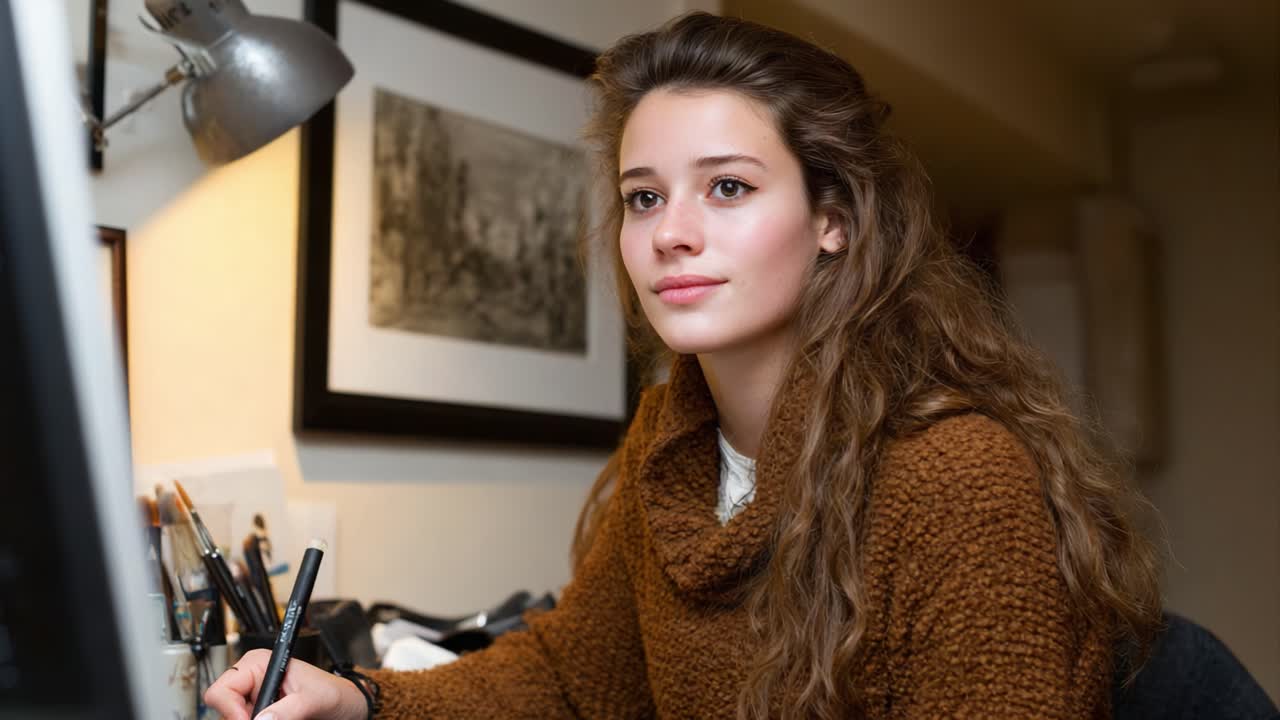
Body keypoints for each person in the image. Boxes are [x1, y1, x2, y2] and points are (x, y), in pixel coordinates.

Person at [205, 12, 1162, 719]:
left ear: (834, 219)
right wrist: (359, 700)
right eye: (645, 197)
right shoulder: (671, 447)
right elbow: (572, 681)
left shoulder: (955, 478)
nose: (673, 233)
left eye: (728, 187)